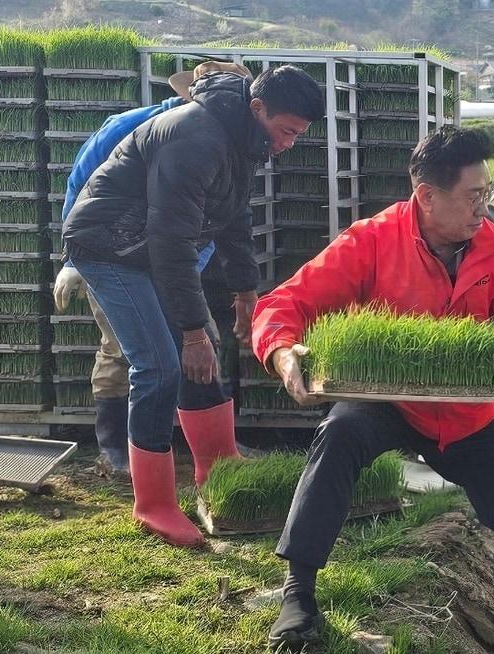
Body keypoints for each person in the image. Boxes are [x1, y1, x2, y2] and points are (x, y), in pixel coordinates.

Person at [250, 127, 494, 653]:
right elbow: (283, 303)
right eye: (473, 196)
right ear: (427, 195)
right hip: (387, 402)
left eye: (487, 193)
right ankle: (298, 594)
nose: (484, 207)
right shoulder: (373, 240)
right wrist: (283, 352)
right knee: (339, 434)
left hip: (464, 414)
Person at [62, 64, 324, 547]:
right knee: (159, 365)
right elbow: (171, 240)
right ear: (258, 107)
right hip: (108, 247)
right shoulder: (193, 136)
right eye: (288, 131)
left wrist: (246, 293)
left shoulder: (246, 138)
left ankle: (218, 465)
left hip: (147, 248)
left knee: (204, 350)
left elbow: (234, 218)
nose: (289, 143)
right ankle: (154, 504)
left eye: (298, 135)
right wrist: (191, 333)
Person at [52, 61, 250, 479]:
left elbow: (214, 217)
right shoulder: (129, 126)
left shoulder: (232, 142)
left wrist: (188, 275)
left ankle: (210, 449)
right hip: (112, 252)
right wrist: (71, 263)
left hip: (173, 262)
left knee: (200, 342)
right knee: (127, 349)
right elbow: (84, 187)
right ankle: (115, 447)